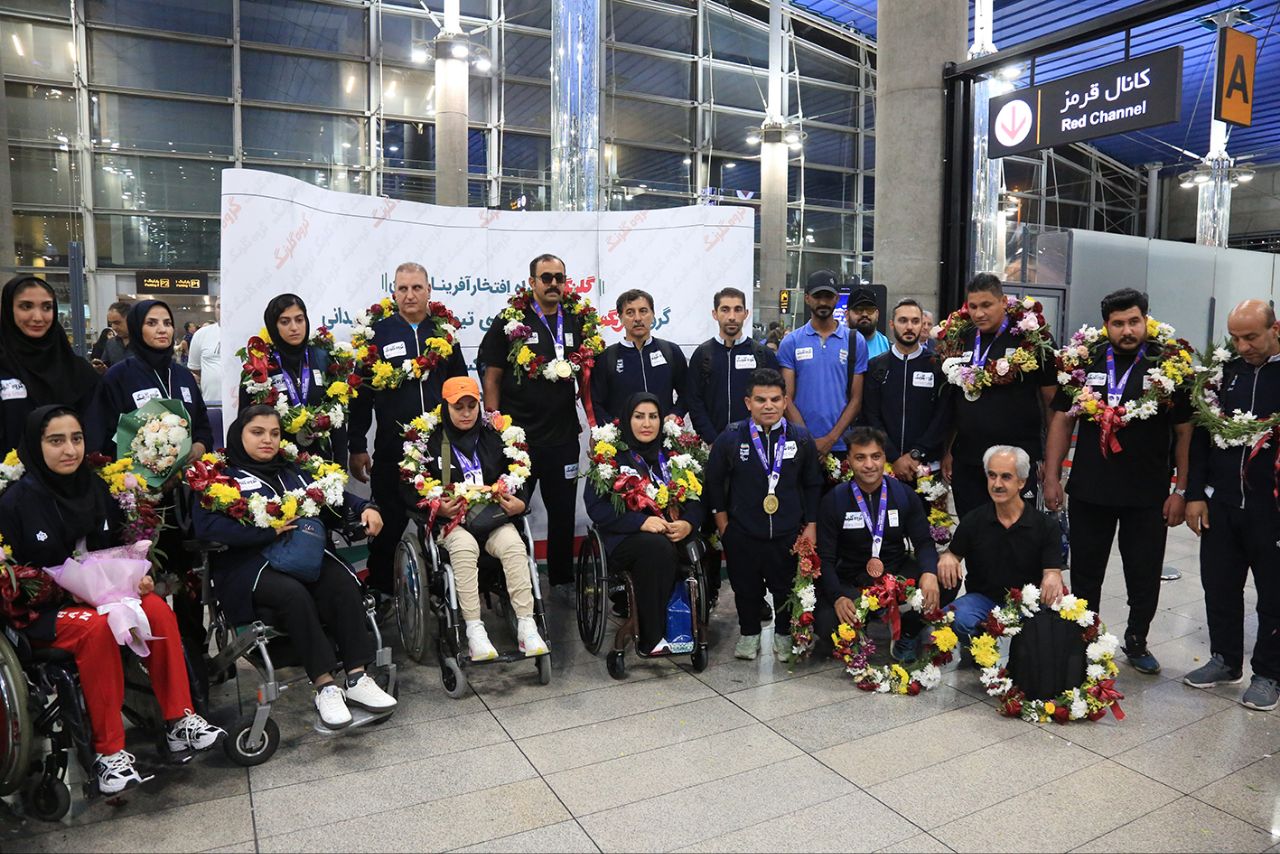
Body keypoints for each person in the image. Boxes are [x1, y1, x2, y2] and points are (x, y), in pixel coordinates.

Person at [0, 407, 224, 795]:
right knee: (97, 629)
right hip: (44, 612)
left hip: (105, 597)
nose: (70, 450)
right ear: (35, 446)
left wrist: (140, 576)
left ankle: (178, 720)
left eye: (76, 439)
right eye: (56, 441)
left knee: (156, 609)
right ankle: (109, 754)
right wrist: (62, 590)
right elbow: (11, 579)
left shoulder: (99, 487)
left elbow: (123, 546)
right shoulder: (14, 503)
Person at [193, 405, 398, 729]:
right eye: (257, 432)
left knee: (341, 583)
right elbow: (207, 528)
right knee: (293, 594)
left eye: (274, 433)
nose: (267, 440)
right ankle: (325, 686)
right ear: (238, 435)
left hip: (302, 555)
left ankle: (357, 678)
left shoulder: (293, 470)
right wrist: (266, 531)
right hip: (249, 563)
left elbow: (333, 497)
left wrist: (367, 507)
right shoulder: (219, 477)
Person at [1042, 288, 1191, 676]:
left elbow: (1185, 432)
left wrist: (1181, 490)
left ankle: (1137, 639)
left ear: (1146, 320)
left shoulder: (1168, 363)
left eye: (1134, 321)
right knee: (1086, 570)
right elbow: (1062, 421)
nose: (1127, 330)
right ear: (1106, 325)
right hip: (1091, 489)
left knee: (1144, 572)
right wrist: (1052, 477)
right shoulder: (1084, 360)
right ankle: (1085, 636)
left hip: (1148, 493)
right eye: (1118, 323)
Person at [85, 299, 214, 702]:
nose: (162, 329)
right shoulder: (119, 376)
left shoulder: (182, 376)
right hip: (139, 503)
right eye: (153, 322)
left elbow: (203, 429)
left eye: (167, 322)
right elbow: (104, 438)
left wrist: (194, 450)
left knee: (188, 581)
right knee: (146, 585)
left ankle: (194, 660)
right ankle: (146, 666)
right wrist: (143, 470)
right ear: (138, 327)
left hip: (184, 498)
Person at [348, 262, 468, 594]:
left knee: (445, 521)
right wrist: (357, 446)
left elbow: (461, 388)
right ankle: (382, 592)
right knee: (388, 525)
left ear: (429, 290)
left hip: (441, 448)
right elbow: (361, 397)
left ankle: (446, 592)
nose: (410, 295)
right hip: (392, 448)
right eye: (403, 288)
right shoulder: (378, 335)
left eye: (417, 288)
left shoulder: (444, 333)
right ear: (394, 292)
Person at [1183, 299, 1280, 711]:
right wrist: (1194, 495)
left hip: (1271, 509)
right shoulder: (1223, 374)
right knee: (1219, 585)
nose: (1243, 346)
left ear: (1275, 329)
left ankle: (1269, 674)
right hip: (1221, 504)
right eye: (1236, 338)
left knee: (1274, 595)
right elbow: (1201, 439)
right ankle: (1224, 660)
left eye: (1251, 337)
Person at [415, 377, 548, 660]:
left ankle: (527, 625)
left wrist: (520, 503)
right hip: (452, 523)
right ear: (445, 407)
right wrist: (437, 507)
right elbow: (410, 486)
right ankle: (475, 630)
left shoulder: (496, 435)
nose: (466, 413)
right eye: (458, 407)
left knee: (514, 545)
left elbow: (520, 475)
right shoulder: (428, 441)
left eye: (471, 406)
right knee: (464, 548)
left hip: (493, 518)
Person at [479, 253, 591, 588]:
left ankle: (561, 582)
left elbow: (588, 374)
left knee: (563, 513)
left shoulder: (577, 320)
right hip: (518, 441)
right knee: (510, 511)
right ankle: (511, 583)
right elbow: (492, 376)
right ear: (532, 282)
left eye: (559, 277)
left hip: (563, 438)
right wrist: (495, 425)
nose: (553, 284)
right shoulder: (510, 321)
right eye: (546, 278)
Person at [705, 368, 823, 661]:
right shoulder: (731, 437)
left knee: (784, 587)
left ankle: (783, 633)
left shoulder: (801, 438)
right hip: (742, 531)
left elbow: (812, 483)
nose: (768, 406)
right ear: (748, 403)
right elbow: (714, 482)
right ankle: (749, 633)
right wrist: (723, 525)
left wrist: (810, 525)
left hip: (787, 533)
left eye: (775, 399)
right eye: (760, 400)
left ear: (785, 401)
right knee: (745, 588)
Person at [584, 393, 702, 652]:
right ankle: (652, 637)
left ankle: (686, 623)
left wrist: (688, 524)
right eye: (639, 417)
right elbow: (596, 508)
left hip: (671, 532)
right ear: (628, 419)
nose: (646, 424)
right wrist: (640, 522)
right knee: (656, 548)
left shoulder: (673, 453)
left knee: (693, 545)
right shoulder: (611, 456)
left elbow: (697, 499)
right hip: (625, 538)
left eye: (653, 416)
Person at [685, 287, 778, 612]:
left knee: (752, 527)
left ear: (746, 314)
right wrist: (714, 440)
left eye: (738, 309)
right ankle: (710, 590)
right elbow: (694, 401)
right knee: (712, 527)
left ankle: (756, 597)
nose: (732, 316)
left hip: (755, 457)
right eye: (725, 309)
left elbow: (772, 401)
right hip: (714, 454)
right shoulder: (703, 355)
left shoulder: (762, 355)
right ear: (715, 314)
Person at [816, 427, 940, 661]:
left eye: (875, 456)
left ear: (884, 458)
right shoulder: (834, 500)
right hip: (852, 578)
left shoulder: (904, 495)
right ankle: (863, 622)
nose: (869, 465)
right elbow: (826, 558)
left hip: (896, 574)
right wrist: (837, 596)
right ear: (849, 460)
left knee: (945, 578)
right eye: (860, 457)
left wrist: (929, 573)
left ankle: (908, 629)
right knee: (826, 625)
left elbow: (924, 542)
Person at [941, 274, 1056, 517]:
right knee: (972, 530)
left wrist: (1050, 460)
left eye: (986, 305)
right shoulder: (962, 337)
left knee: (1017, 532)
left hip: (1018, 459)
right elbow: (953, 401)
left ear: (1003, 301)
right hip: (968, 459)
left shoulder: (1031, 337)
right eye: (973, 306)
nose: (979, 313)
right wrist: (949, 450)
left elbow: (1050, 403)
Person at [937, 445, 1064, 643]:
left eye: (1006, 477)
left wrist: (1053, 575)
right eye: (992, 476)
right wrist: (948, 557)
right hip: (983, 599)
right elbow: (953, 554)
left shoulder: (1045, 526)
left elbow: (1052, 571)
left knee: (1050, 625)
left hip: (1028, 602)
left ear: (1022, 481)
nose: (997, 484)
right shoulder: (973, 520)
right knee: (955, 618)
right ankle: (979, 645)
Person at [0, 274, 100, 456]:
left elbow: (96, 430)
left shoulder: (78, 371)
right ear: (8, 309)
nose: (38, 317)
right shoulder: (4, 366)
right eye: (26, 306)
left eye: (47, 307)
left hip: (72, 469)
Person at [242, 294, 349, 462]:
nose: (294, 327)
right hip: (275, 463)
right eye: (285, 322)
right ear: (273, 326)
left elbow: (337, 418)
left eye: (299, 320)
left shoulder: (323, 358)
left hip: (321, 463)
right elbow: (244, 423)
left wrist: (341, 465)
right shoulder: (260, 365)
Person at [778, 270, 869, 458]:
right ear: (807, 298)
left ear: (837, 298)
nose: (823, 302)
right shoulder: (791, 342)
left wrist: (830, 439)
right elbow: (786, 399)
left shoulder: (855, 341)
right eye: (817, 296)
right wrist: (807, 440)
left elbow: (856, 399)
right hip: (801, 445)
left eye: (828, 296)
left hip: (841, 445)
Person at [862, 298, 950, 482]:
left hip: (927, 467)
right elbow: (871, 415)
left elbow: (942, 416)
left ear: (922, 325)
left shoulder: (937, 366)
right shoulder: (876, 366)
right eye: (903, 320)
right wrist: (894, 457)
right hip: (886, 465)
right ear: (892, 324)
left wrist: (917, 452)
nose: (909, 327)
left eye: (915, 321)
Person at [590, 289, 688, 426]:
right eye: (630, 312)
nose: (637, 318)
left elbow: (687, 393)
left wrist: (675, 414)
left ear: (653, 315)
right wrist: (613, 428)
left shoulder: (670, 351)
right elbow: (596, 403)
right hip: (622, 438)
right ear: (620, 318)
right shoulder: (606, 358)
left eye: (643, 311)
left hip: (663, 435)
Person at [187, 298, 222, 405]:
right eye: (219, 306)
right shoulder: (201, 334)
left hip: (243, 406)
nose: (222, 310)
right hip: (211, 403)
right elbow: (195, 368)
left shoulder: (248, 334)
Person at [846, 286, 891, 359]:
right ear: (847, 315)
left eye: (870, 310)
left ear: (877, 314)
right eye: (858, 310)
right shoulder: (836, 346)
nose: (865, 314)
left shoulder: (888, 347)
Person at [90, 300, 133, 373]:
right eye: (111, 323)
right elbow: (107, 367)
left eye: (117, 323)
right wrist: (101, 369)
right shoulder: (111, 343)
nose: (113, 327)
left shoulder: (146, 343)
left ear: (131, 319)